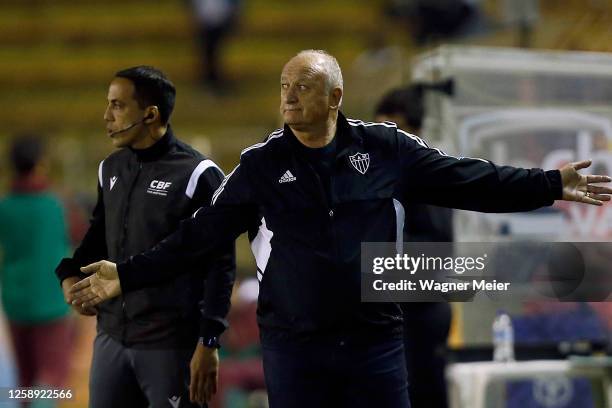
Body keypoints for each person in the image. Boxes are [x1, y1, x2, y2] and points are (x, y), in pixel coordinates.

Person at [70, 50, 612, 408]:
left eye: (303, 87)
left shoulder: (385, 149)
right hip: (294, 346)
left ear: (334, 97)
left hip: (374, 343)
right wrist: (128, 274)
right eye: (284, 86)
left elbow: (471, 180)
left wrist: (549, 184)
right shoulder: (260, 165)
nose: (288, 97)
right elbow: (199, 236)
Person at [55, 66, 235, 407]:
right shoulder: (109, 168)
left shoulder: (199, 174)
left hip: (170, 345)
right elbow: (97, 239)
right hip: (111, 338)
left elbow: (220, 265)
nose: (106, 116)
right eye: (108, 104)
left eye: (118, 106)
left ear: (150, 114)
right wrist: (70, 274)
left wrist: (209, 341)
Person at [375, 85, 452, 408]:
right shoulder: (387, 172)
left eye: (393, 128)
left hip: (420, 310)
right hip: (395, 307)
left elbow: (441, 244)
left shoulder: (423, 171)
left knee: (421, 389)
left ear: (416, 130)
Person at [0, 135, 74, 406]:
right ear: (41, 164)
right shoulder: (56, 203)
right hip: (51, 302)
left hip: (15, 300)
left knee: (25, 377)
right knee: (51, 378)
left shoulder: (4, 206)